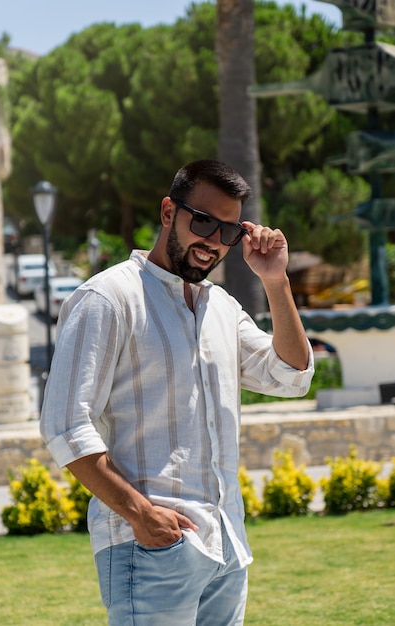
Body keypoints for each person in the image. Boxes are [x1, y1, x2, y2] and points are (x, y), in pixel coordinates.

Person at [40, 159, 314, 626]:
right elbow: (64, 423)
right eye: (203, 221)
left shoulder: (221, 307)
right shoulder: (108, 299)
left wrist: (275, 280)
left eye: (228, 231)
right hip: (149, 546)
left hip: (226, 547)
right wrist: (141, 514)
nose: (213, 241)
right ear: (169, 212)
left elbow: (290, 375)